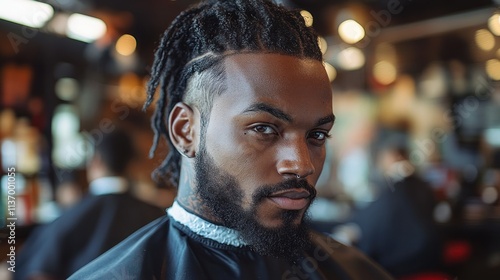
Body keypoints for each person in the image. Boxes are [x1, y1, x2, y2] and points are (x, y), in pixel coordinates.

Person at [69, 0, 394, 279]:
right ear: (186, 131)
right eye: (264, 129)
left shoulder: (357, 272)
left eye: (316, 135)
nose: (302, 164)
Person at [16, 129, 165, 280]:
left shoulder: (69, 217)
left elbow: (36, 271)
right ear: (130, 164)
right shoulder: (158, 216)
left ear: (96, 161)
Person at [334, 141, 444, 278]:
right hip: (429, 256)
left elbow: (372, 223)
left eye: (384, 157)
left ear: (394, 156)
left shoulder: (392, 188)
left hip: (400, 264)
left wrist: (353, 228)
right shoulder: (422, 185)